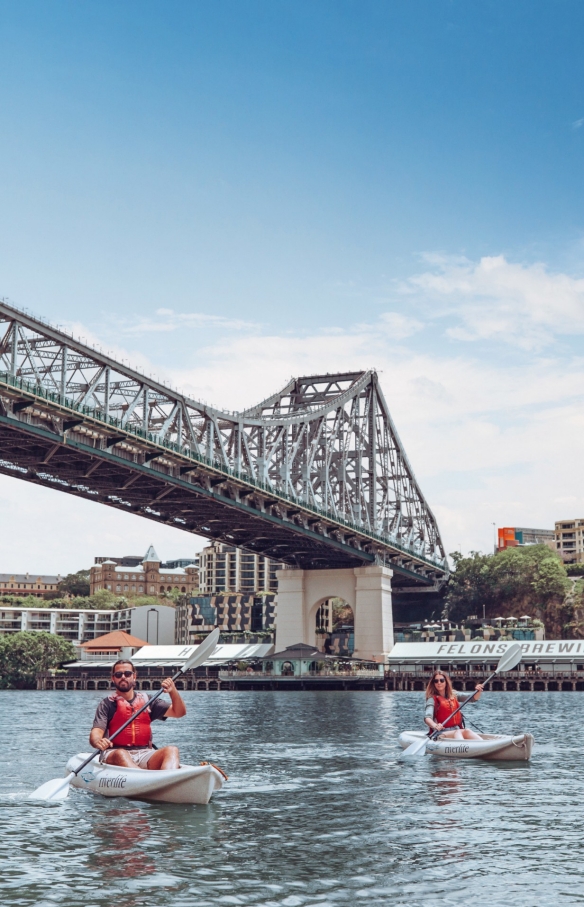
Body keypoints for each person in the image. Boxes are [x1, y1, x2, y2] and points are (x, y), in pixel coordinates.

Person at [89, 659, 187, 770]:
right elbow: (96, 731)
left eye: (127, 673)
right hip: (114, 753)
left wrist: (172, 691)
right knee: (121, 754)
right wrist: (98, 741)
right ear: (113, 678)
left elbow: (179, 712)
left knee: (172, 750)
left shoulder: (148, 701)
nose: (123, 677)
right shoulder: (107, 704)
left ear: (134, 676)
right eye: (118, 674)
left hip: (145, 753)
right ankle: (146, 781)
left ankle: (168, 780)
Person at [424, 671, 484, 740]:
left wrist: (478, 691)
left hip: (456, 729)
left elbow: (472, 698)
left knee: (467, 731)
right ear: (433, 683)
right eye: (436, 681)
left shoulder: (454, 694)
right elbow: (427, 718)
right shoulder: (432, 699)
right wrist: (435, 725)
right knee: (457, 732)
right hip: (440, 732)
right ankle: (463, 748)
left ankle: (483, 745)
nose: (439, 683)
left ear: (446, 682)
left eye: (442, 680)